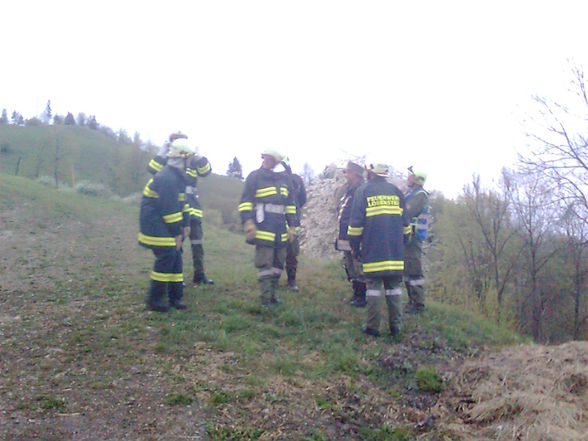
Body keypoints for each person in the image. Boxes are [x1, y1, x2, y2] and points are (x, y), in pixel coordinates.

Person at [347, 161, 409, 337]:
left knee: (373, 288)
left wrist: (355, 246)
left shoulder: (363, 191)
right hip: (395, 251)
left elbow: (355, 225)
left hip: (373, 249)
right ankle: (396, 327)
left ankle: (372, 327)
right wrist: (401, 243)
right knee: (394, 288)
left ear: (371, 174)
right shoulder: (397, 192)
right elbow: (406, 225)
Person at [147, 134, 214, 286]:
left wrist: (198, 154)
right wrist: (162, 151)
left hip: (193, 209)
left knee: (197, 243)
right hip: (175, 208)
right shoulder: (168, 160)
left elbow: (206, 171)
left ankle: (200, 274)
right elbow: (152, 169)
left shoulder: (191, 159)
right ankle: (177, 278)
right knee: (177, 244)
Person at [138, 138, 195, 312]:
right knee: (168, 253)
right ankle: (154, 299)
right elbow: (169, 210)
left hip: (162, 221)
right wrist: (177, 233)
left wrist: (186, 223)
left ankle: (175, 297)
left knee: (175, 255)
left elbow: (181, 202)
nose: (190, 161)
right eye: (189, 157)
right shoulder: (168, 177)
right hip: (154, 222)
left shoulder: (177, 177)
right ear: (182, 157)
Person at [238, 148, 298, 306]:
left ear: (277, 161)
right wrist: (248, 222)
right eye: (264, 158)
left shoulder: (285, 180)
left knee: (279, 264)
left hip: (280, 228)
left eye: (269, 158)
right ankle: (265, 299)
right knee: (265, 264)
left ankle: (272, 295)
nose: (265, 161)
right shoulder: (255, 177)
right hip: (263, 226)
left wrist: (292, 226)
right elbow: (245, 202)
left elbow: (290, 205)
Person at [335, 161, 366, 307]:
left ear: (355, 174)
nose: (345, 175)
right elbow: (338, 207)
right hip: (344, 233)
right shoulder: (348, 190)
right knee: (349, 264)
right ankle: (355, 294)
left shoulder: (362, 190)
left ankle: (361, 297)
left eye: (347, 172)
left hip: (356, 235)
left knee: (358, 264)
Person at [403, 166, 430, 314]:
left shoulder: (420, 196)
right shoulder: (410, 193)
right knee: (407, 270)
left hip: (414, 238)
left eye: (411, 176)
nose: (408, 178)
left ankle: (418, 304)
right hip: (408, 237)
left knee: (414, 270)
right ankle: (411, 300)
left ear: (418, 179)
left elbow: (407, 211)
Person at [280, 156, 307, 291]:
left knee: (292, 253)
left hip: (291, 222)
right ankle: (274, 280)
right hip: (276, 222)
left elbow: (303, 199)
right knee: (276, 253)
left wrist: (294, 210)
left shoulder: (296, 180)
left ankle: (291, 280)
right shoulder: (272, 179)